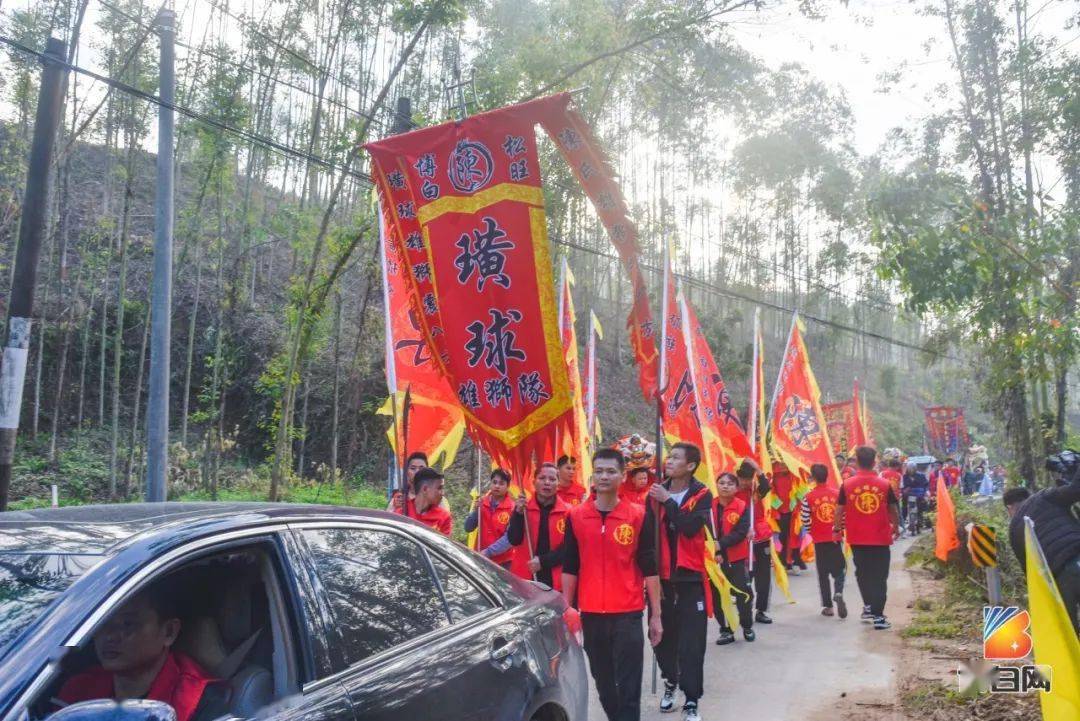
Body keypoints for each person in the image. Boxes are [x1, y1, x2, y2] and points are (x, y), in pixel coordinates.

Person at [562, 448, 663, 721]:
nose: (604, 476)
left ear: (622, 476)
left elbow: (649, 566)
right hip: (592, 614)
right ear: (593, 475)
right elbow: (570, 566)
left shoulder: (638, 515)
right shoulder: (576, 516)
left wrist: (656, 615)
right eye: (599, 471)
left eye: (611, 471)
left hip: (628, 614)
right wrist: (566, 609)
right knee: (604, 682)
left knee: (629, 685)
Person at [57, 584, 218, 721]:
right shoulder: (79, 690)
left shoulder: (198, 700)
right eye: (102, 622)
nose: (109, 636)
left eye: (127, 624)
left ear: (169, 632)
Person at [649, 443, 713, 716]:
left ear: (690, 465)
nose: (669, 461)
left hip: (689, 578)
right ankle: (670, 681)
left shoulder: (702, 494)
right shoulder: (653, 493)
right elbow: (646, 536)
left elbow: (689, 527)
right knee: (661, 638)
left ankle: (691, 699)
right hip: (661, 580)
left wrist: (668, 501)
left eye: (676, 457)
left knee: (692, 643)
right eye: (669, 456)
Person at [1004, 449, 1080, 633]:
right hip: (1076, 552)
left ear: (1008, 508)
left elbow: (1031, 573)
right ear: (1029, 495)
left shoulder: (1013, 530)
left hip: (1061, 574)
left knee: (1067, 630)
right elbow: (1075, 490)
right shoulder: (1044, 497)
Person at [834, 446, 900, 630]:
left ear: (856, 460)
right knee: (879, 577)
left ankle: (869, 607)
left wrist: (836, 528)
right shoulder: (884, 484)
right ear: (874, 462)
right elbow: (893, 509)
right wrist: (895, 526)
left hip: (857, 539)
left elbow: (839, 509)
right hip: (880, 537)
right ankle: (878, 616)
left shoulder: (846, 485)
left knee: (862, 573)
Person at [508, 462, 570, 589]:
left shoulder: (568, 512)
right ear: (534, 481)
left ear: (558, 484)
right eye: (542, 478)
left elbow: (569, 548)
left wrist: (543, 561)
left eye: (552, 479)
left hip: (557, 579)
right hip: (526, 577)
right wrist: (517, 514)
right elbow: (514, 539)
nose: (547, 482)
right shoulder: (523, 509)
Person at [712, 472, 755, 645]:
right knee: (719, 597)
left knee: (744, 594)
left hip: (736, 559)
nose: (725, 486)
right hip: (715, 561)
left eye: (730, 484)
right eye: (721, 483)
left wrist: (720, 545)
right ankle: (726, 630)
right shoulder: (709, 506)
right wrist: (715, 552)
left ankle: (746, 625)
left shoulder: (742, 506)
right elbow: (706, 533)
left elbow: (740, 532)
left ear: (736, 488)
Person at [800, 463, 847, 618]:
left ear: (813, 478)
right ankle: (838, 592)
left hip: (819, 540)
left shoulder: (808, 497)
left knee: (823, 573)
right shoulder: (837, 493)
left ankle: (828, 607)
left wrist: (811, 532)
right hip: (835, 537)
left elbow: (805, 519)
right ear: (827, 475)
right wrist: (841, 530)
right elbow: (842, 515)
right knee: (840, 569)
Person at [735, 459, 773, 624]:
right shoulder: (732, 494)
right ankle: (745, 611)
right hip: (742, 539)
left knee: (763, 576)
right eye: (742, 479)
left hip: (761, 538)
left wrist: (758, 468)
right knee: (744, 577)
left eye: (748, 479)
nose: (745, 482)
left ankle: (761, 610)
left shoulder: (755, 492)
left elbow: (766, 486)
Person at [464, 468, 515, 568]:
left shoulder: (512, 508)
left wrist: (488, 552)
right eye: (494, 482)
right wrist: (476, 511)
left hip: (502, 562)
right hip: (480, 558)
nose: (497, 486)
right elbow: (468, 527)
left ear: (508, 486)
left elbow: (509, 539)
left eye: (501, 483)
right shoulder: (482, 502)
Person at [398, 467, 453, 536]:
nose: (442, 493)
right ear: (425, 489)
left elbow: (444, 546)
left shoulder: (444, 517)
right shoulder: (401, 513)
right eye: (439, 488)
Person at [772, 464, 806, 572]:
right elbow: (771, 493)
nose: (783, 467)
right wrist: (776, 508)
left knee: (796, 535)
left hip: (795, 510)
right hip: (780, 511)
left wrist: (799, 505)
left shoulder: (796, 473)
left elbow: (802, 491)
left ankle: (794, 559)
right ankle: (787, 560)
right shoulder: (772, 473)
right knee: (783, 536)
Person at [900, 462, 930, 534]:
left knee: (921, 509)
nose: (910, 470)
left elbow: (926, 485)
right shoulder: (904, 476)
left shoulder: (921, 475)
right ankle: (905, 521)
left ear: (915, 468)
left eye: (912, 468)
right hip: (909, 496)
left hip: (920, 495)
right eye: (909, 468)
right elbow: (902, 487)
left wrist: (926, 492)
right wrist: (904, 490)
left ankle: (921, 523)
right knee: (905, 508)